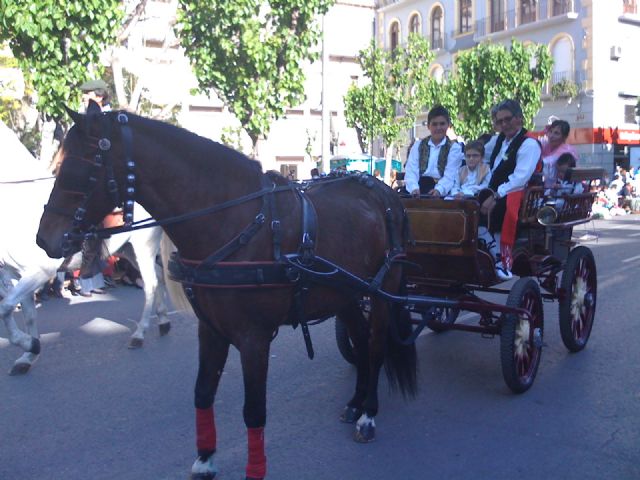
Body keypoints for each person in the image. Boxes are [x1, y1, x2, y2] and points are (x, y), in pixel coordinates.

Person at [479, 99, 542, 281]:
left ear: (519, 119)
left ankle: (500, 257)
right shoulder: (499, 140)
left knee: (498, 208)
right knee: (466, 205)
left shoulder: (529, 144)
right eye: (500, 121)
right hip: (495, 189)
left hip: (519, 193)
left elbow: (520, 178)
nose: (504, 124)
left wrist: (496, 195)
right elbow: (478, 151)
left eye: (508, 119)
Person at [405, 105, 463, 197]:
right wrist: (414, 188)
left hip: (442, 192)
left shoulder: (454, 148)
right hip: (418, 190)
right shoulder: (418, 145)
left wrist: (439, 190)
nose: (438, 128)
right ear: (428, 126)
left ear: (448, 125)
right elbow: (411, 170)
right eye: (434, 124)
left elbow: (450, 175)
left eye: (442, 124)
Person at [541, 119, 577, 188]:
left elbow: (545, 162)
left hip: (561, 191)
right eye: (550, 131)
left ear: (564, 137)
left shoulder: (566, 151)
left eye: (556, 133)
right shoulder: (546, 145)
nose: (551, 136)